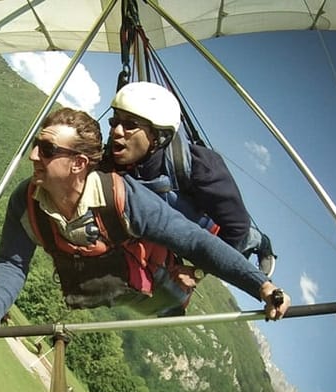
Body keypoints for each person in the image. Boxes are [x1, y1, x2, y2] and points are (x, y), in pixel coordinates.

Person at [0, 107, 290, 340]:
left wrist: (261, 286)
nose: (34, 155)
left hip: (160, 293)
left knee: (209, 245)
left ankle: (257, 243)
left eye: (47, 150)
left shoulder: (123, 198)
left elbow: (195, 242)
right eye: (37, 145)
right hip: (111, 288)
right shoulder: (27, 201)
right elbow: (12, 260)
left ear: (79, 163)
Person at [100, 82, 278, 276]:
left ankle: (262, 243)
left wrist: (198, 271)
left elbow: (237, 228)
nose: (116, 131)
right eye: (114, 121)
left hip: (223, 236)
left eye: (130, 125)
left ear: (158, 136)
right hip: (173, 228)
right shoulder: (117, 159)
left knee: (244, 243)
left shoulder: (200, 167)